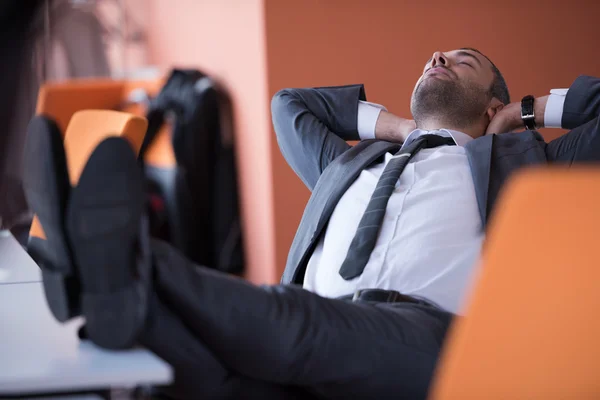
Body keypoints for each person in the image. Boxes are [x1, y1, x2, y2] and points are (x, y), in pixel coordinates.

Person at [23, 48, 600, 399]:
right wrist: (399, 129)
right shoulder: (349, 161)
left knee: (292, 320)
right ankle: (99, 288)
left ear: (490, 104)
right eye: (435, 56)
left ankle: (118, 260)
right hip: (319, 349)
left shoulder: (528, 164)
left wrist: (521, 116)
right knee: (200, 378)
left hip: (438, 348)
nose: (439, 58)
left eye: (462, 60)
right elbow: (288, 104)